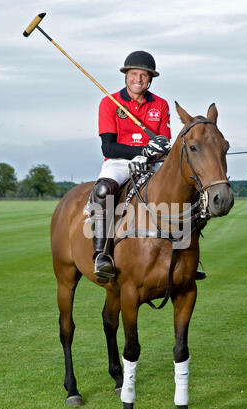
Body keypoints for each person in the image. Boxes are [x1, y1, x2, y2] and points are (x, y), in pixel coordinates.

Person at [91, 50, 172, 278]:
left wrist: (149, 155)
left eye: (144, 75)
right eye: (133, 74)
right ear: (126, 76)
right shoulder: (109, 102)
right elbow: (108, 147)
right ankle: (101, 255)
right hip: (119, 163)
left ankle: (185, 252)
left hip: (153, 163)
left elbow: (164, 143)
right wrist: (140, 151)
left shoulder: (161, 105)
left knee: (181, 185)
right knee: (103, 189)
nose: (138, 79)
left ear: (151, 78)